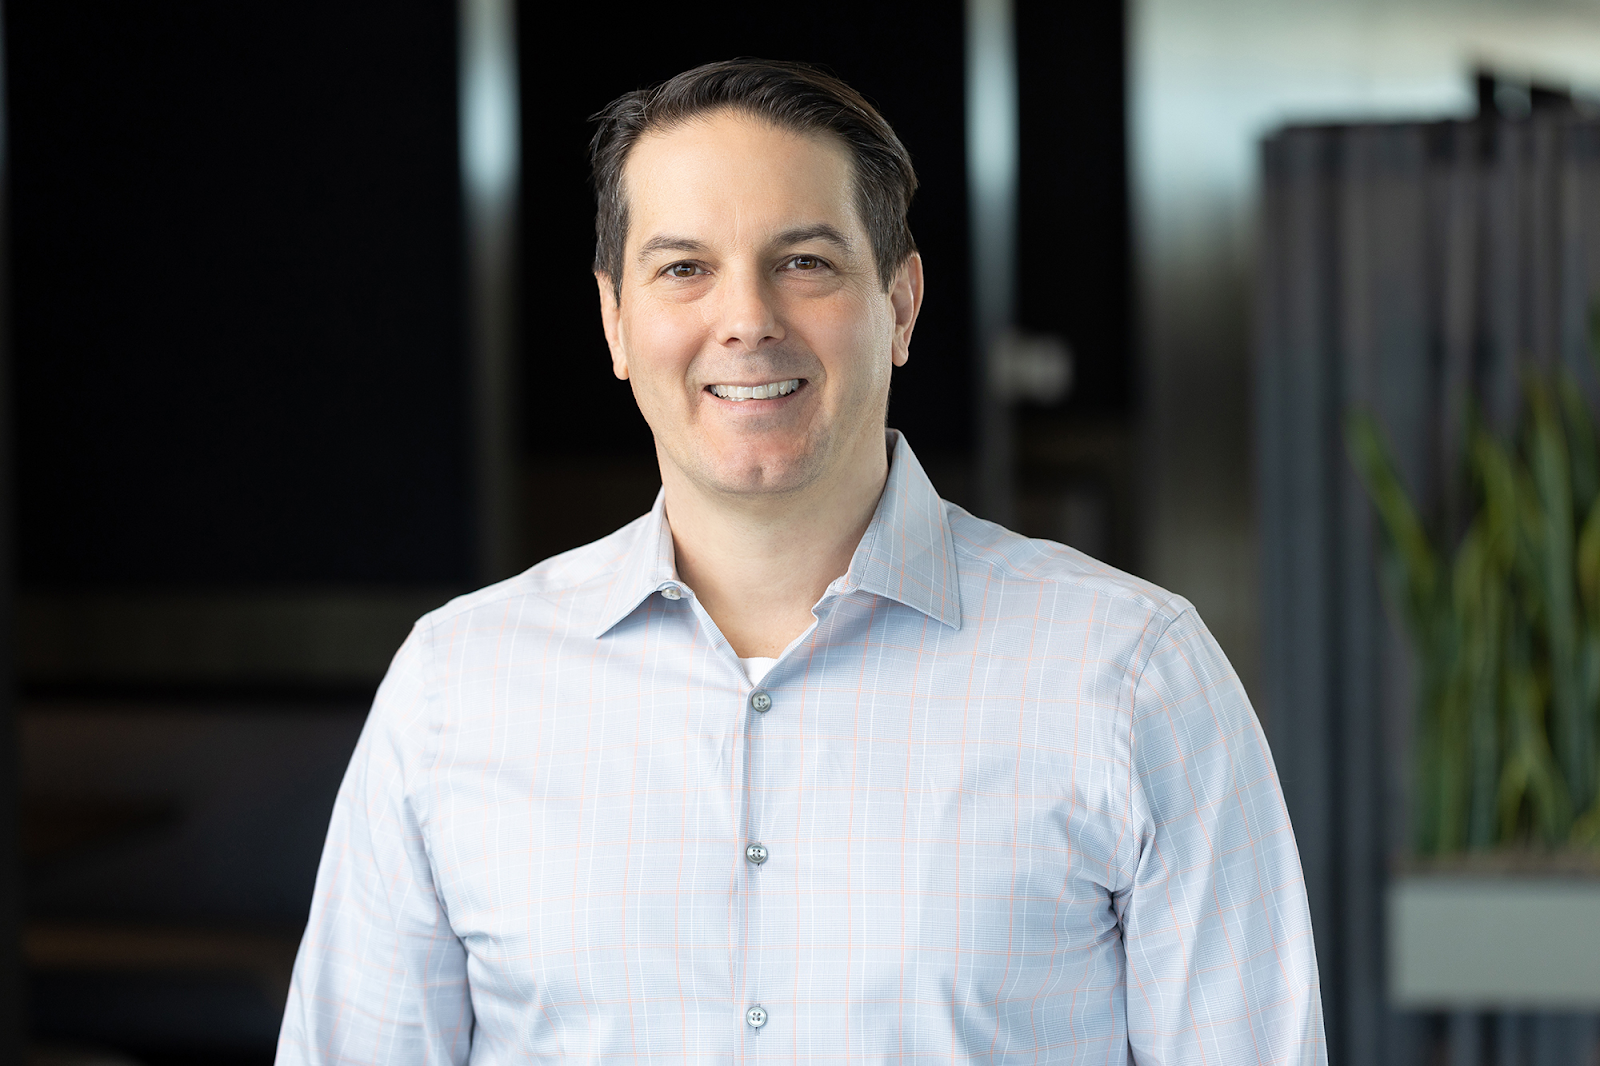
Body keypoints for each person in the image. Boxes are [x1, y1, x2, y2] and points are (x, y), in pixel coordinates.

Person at [276, 59, 1326, 1064]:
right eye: (683, 269)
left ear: (901, 304)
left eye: (805, 263)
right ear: (614, 321)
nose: (746, 320)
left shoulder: (1132, 675)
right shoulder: (456, 687)